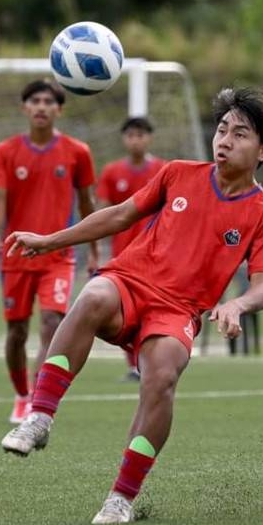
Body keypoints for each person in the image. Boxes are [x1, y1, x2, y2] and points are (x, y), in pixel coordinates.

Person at [0, 86, 263, 525]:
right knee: (93, 294)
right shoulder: (178, 174)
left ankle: (121, 498)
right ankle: (39, 417)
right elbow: (118, 215)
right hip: (130, 283)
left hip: (176, 311)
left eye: (239, 134)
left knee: (163, 375)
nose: (224, 140)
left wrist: (238, 305)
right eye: (222, 130)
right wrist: (48, 241)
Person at [0, 79, 99, 425]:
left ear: (59, 109)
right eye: (34, 100)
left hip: (58, 256)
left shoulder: (78, 152)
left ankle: (36, 400)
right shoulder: (6, 151)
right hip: (16, 255)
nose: (41, 106)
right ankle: (20, 395)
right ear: (24, 107)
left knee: (52, 323)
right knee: (16, 332)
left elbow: (87, 204)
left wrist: (94, 251)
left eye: (48, 101)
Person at [95, 116, 166, 381]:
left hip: (157, 252)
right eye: (131, 135)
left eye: (141, 134)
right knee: (125, 312)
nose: (136, 140)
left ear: (149, 138)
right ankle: (135, 364)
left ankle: (150, 361)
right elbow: (102, 211)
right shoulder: (112, 172)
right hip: (123, 254)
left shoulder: (163, 169)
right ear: (124, 139)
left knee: (153, 309)